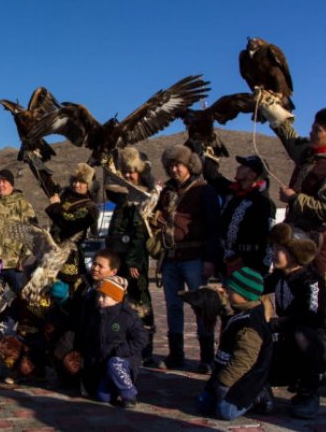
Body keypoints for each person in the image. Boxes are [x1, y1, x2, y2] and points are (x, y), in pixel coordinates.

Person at [151, 145, 221, 372]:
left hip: (195, 256)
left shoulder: (204, 191)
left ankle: (207, 357)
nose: (174, 169)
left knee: (201, 306)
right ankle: (176, 354)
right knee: (172, 306)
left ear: (189, 165)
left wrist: (210, 259)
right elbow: (157, 216)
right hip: (170, 256)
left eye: (178, 165)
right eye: (170, 165)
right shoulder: (167, 192)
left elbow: (214, 227)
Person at [264, 223, 326, 419]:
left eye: (279, 249)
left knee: (303, 335)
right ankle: (259, 388)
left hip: (315, 345)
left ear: (294, 252)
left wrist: (276, 324)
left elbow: (313, 317)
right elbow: (255, 287)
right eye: (273, 248)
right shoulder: (280, 277)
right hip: (287, 341)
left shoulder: (311, 281)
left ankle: (309, 393)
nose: (274, 253)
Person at [196, 267, 274, 420]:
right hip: (225, 371)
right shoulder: (238, 309)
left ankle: (259, 395)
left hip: (246, 377)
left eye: (231, 289)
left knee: (225, 412)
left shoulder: (251, 324)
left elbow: (244, 360)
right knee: (203, 404)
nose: (226, 290)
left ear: (244, 295)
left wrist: (223, 382)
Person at [105, 147, 158, 366]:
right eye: (125, 171)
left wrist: (134, 260)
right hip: (117, 255)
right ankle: (119, 339)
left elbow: (141, 231)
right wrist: (109, 157)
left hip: (135, 258)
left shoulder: (145, 195)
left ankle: (145, 347)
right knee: (117, 298)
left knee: (140, 300)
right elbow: (108, 186)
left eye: (131, 172)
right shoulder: (123, 194)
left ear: (141, 171)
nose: (128, 175)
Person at [259, 102, 326, 276]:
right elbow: (291, 139)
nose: (311, 133)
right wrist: (273, 112)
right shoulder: (309, 155)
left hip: (319, 245)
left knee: (316, 292)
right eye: (312, 128)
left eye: (317, 130)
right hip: (295, 238)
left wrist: (294, 199)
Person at [79, 275, 148, 408]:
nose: (100, 299)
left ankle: (129, 394)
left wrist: (120, 351)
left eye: (104, 296)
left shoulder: (127, 316)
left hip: (124, 360)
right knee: (102, 397)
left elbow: (141, 338)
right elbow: (90, 339)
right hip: (103, 362)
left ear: (116, 298)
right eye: (99, 295)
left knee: (115, 364)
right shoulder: (97, 315)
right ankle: (115, 387)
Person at [203, 153, 276, 276]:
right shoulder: (233, 192)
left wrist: (263, 269)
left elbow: (269, 238)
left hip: (250, 265)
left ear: (252, 175)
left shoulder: (263, 202)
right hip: (226, 261)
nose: (238, 168)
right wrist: (203, 147)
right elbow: (213, 176)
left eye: (243, 167)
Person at [0, 169, 37, 293]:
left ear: (12, 184)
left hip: (15, 265)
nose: (0, 185)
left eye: (4, 181)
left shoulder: (22, 205)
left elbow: (31, 232)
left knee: (23, 300)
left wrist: (25, 259)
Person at [46, 162, 99, 276]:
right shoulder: (64, 195)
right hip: (52, 250)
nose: (76, 184)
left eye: (81, 182)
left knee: (64, 289)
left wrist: (55, 206)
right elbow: (47, 184)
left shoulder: (90, 207)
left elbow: (70, 226)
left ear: (88, 185)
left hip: (69, 254)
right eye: (75, 180)